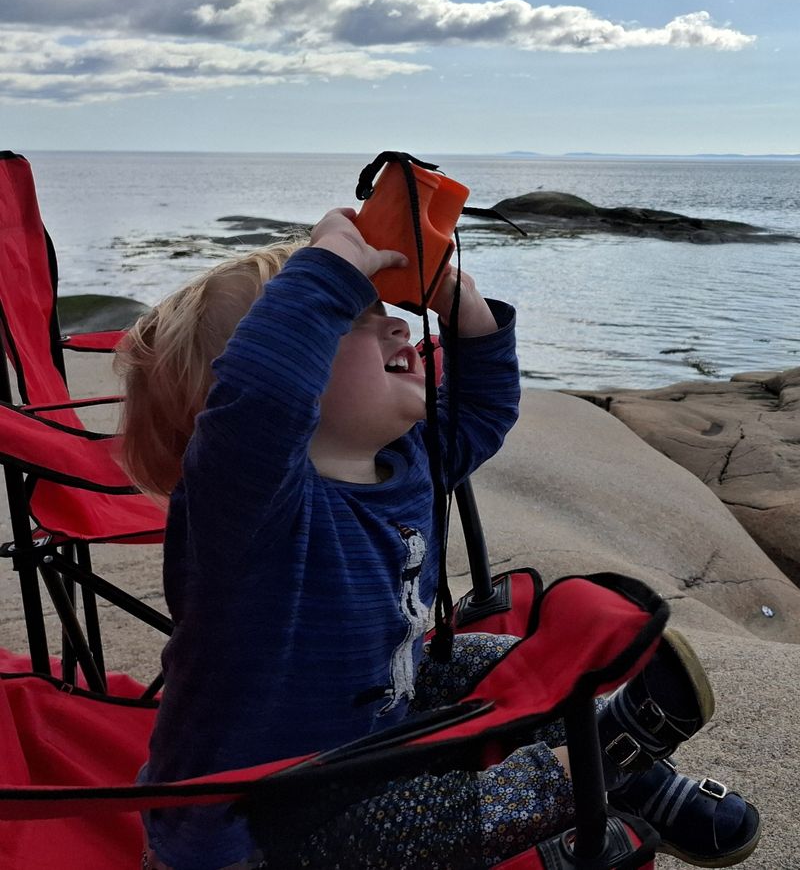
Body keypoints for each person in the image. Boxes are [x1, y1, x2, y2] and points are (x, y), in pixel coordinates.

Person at [115, 207, 760, 870]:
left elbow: (485, 405)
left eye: (383, 311)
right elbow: (261, 400)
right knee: (423, 820)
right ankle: (604, 762)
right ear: (294, 370)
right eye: (352, 321)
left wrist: (458, 298)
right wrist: (328, 269)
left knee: (504, 655)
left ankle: (621, 759)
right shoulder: (249, 509)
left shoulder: (407, 458)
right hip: (255, 824)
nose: (394, 323)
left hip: (378, 712)